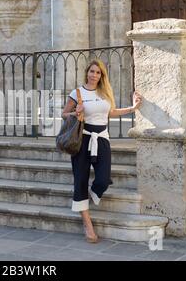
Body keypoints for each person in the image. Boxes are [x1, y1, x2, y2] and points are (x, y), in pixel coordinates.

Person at [61, 60, 142, 243]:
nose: (94, 75)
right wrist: (75, 113)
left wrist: (132, 108)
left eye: (98, 72)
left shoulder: (105, 92)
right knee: (80, 179)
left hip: (102, 139)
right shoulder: (78, 93)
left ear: (102, 75)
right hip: (83, 139)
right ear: (87, 72)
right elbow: (64, 114)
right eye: (92, 71)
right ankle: (87, 224)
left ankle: (84, 201)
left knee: (103, 179)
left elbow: (110, 112)